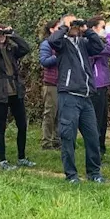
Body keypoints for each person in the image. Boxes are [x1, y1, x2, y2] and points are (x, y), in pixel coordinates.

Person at [49, 15, 106, 183]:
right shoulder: (62, 44)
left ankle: (94, 173)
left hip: (86, 96)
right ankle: (71, 175)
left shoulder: (83, 43)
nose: (75, 25)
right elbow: (52, 40)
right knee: (68, 137)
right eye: (72, 23)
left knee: (93, 136)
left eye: (76, 22)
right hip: (69, 96)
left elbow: (99, 46)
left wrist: (86, 29)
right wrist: (65, 27)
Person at [0, 24, 36, 171]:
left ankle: (21, 157)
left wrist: (13, 34)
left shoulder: (11, 49)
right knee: (1, 126)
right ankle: (2, 160)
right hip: (0, 91)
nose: (2, 36)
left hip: (15, 90)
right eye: (0, 34)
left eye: (3, 34)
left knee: (22, 125)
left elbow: (26, 48)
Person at [87, 16, 110, 157]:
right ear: (93, 29)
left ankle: (101, 148)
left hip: (103, 85)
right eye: (102, 27)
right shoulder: (91, 44)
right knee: (96, 119)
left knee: (103, 120)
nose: (104, 29)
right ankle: (96, 150)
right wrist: (109, 34)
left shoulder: (99, 42)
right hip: (96, 85)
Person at [39, 19, 60, 150]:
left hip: (63, 83)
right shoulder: (46, 44)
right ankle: (46, 142)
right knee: (50, 114)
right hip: (51, 83)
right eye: (58, 28)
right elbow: (44, 61)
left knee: (61, 114)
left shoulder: (63, 43)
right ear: (51, 29)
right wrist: (58, 55)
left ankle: (57, 140)